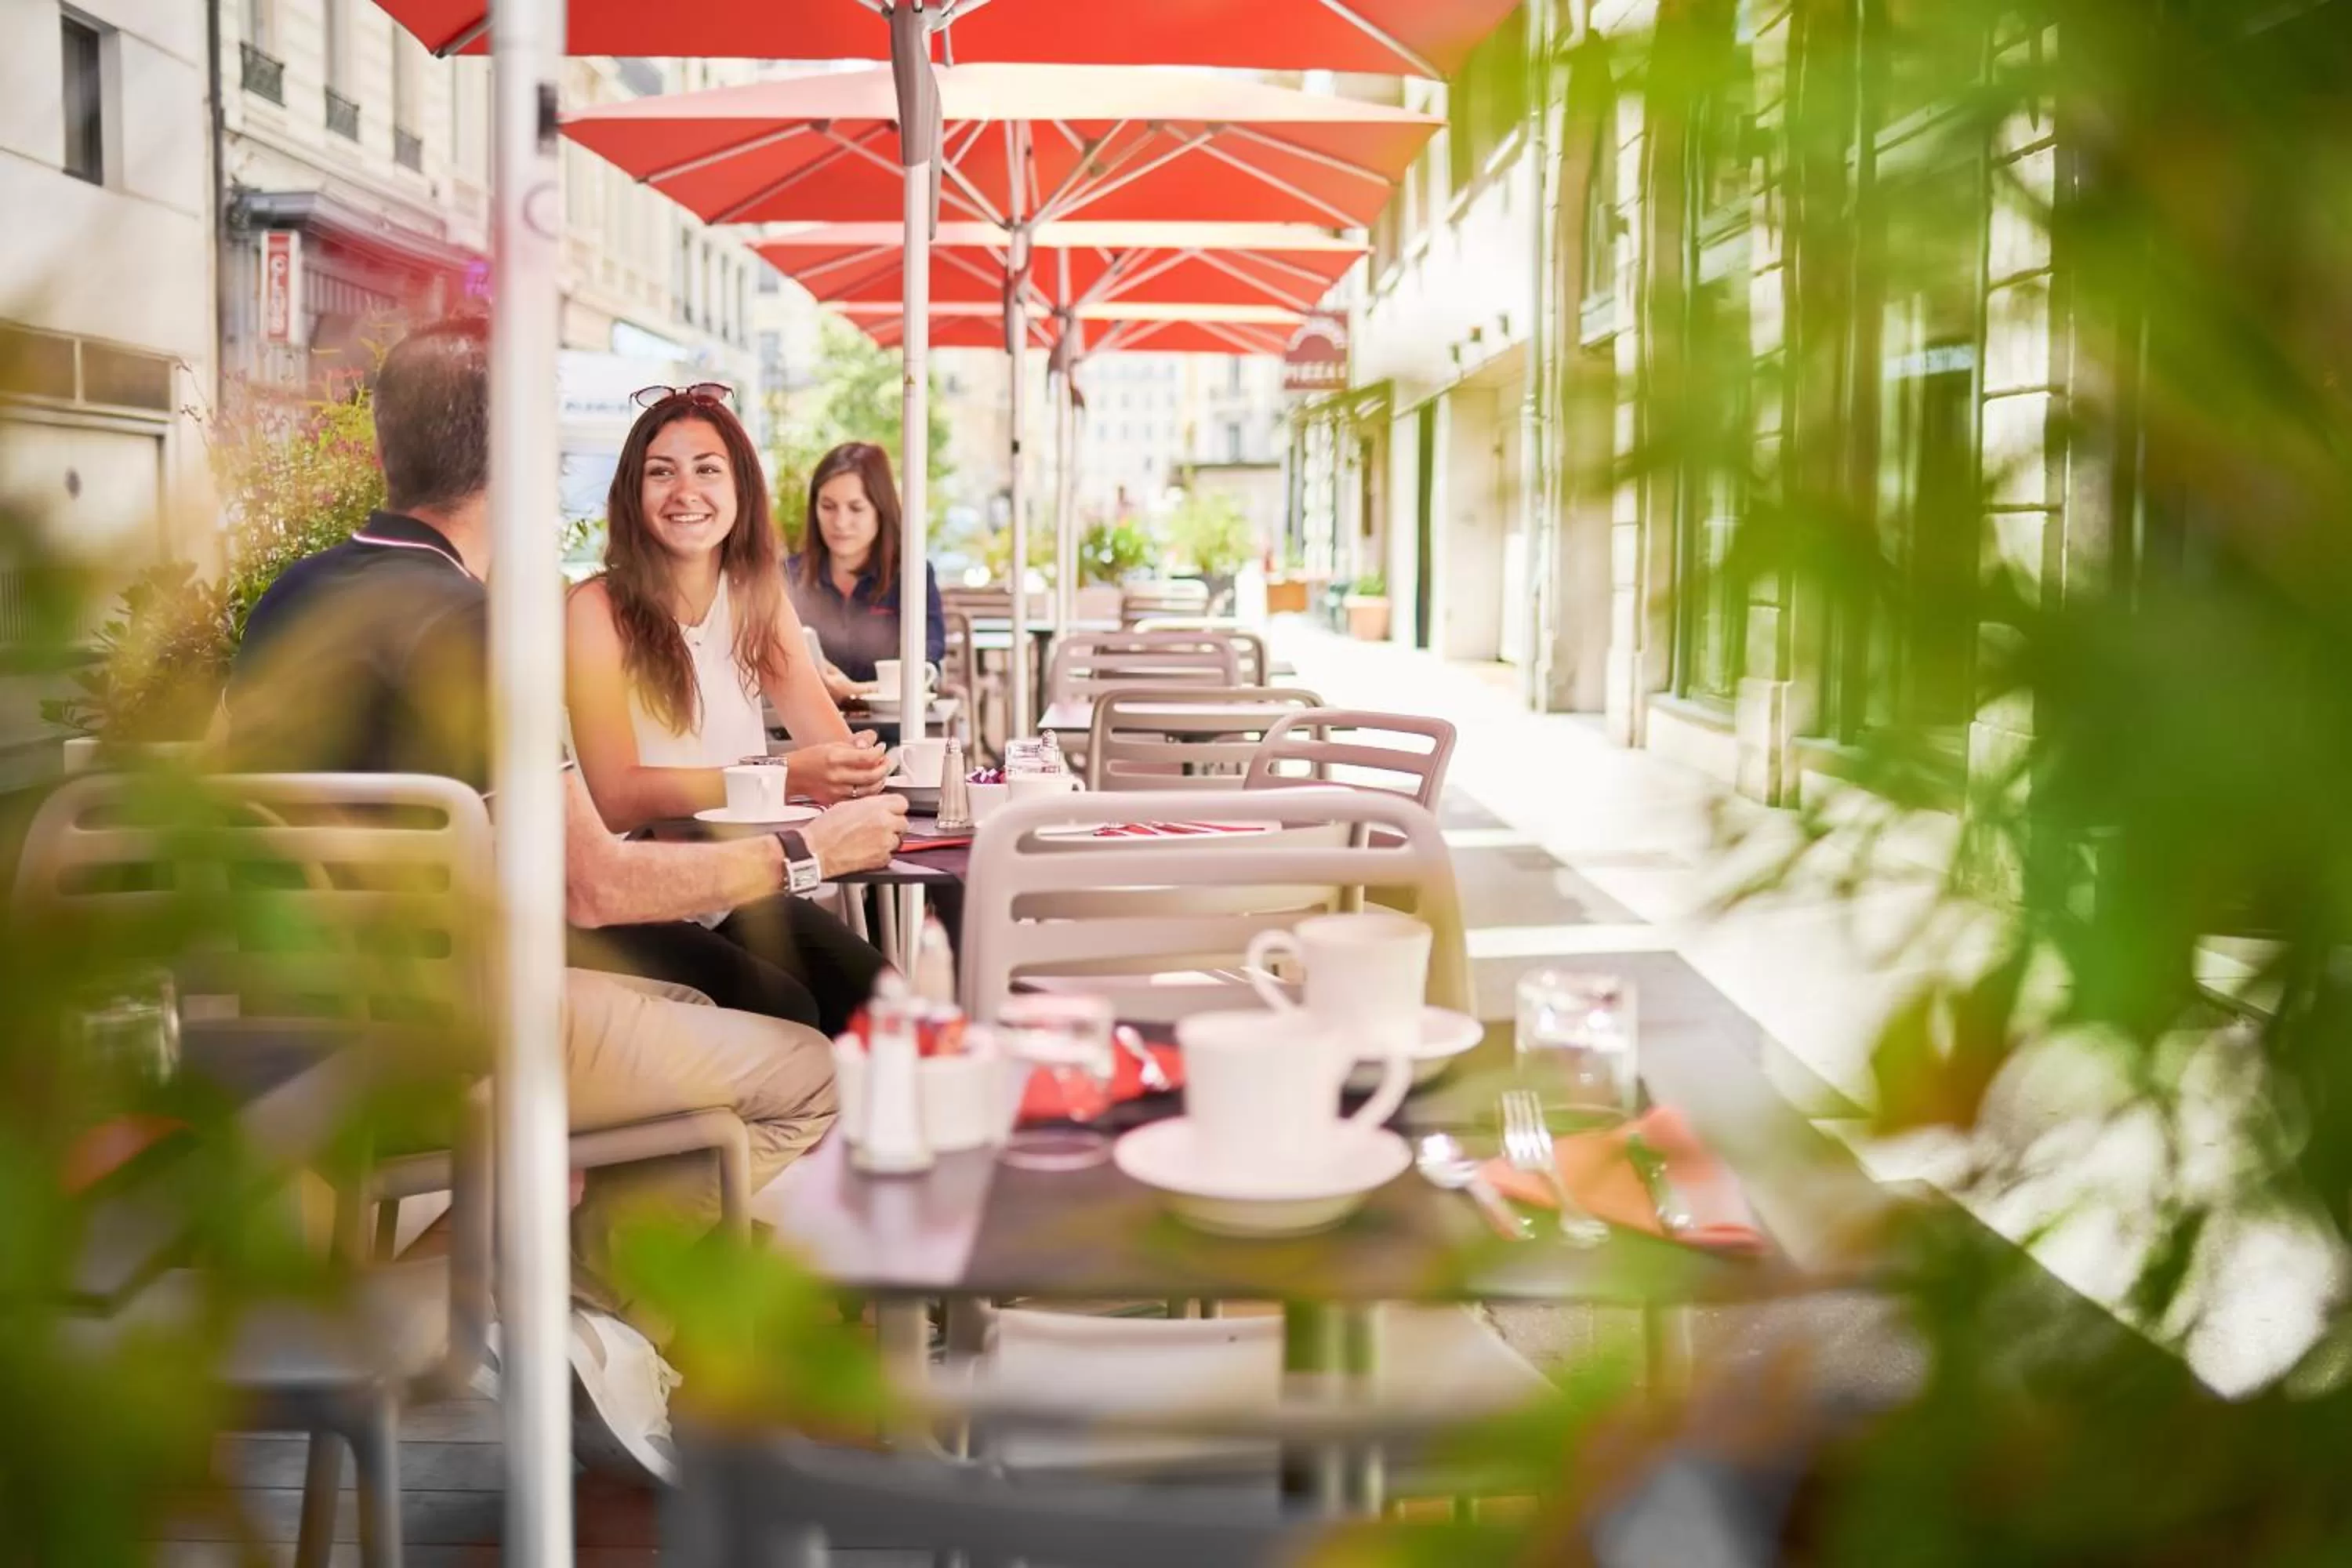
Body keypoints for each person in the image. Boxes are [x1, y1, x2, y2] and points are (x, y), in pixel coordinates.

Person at [226, 318, 909, 1484]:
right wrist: (811, 851)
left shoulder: (287, 603)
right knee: (822, 1072)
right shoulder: (482, 629)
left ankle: (563, 1304)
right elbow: (596, 876)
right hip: (464, 1042)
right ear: (522, 458)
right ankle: (576, 1309)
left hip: (284, 1055)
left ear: (391, 453)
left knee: (719, 1046)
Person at [564, 387, 893, 1036]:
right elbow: (616, 798)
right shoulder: (596, 610)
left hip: (735, 883)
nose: (686, 491)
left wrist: (867, 770)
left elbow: (832, 747)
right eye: (662, 472)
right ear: (634, 494)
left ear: (741, 489)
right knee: (787, 1012)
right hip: (636, 890)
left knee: (883, 1003)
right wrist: (791, 775)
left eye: (708, 469)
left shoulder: (756, 601)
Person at [785, 441, 947, 691]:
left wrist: (857, 692)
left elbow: (928, 668)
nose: (840, 522)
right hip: (804, 730)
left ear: (880, 510)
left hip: (894, 729)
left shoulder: (912, 577)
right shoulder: (787, 577)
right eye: (828, 507)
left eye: (856, 508)